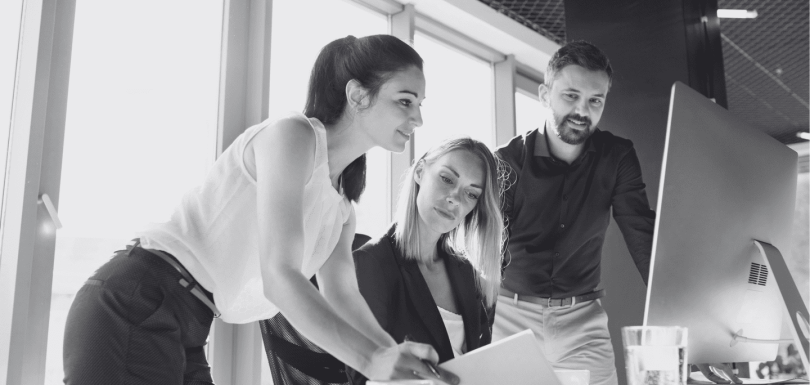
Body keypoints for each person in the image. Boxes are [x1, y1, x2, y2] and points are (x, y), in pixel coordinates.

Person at [62, 34, 457, 385]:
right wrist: (372, 361)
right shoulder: (293, 136)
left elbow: (344, 296)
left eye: (420, 104)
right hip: (137, 299)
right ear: (358, 95)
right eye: (405, 101)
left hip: (190, 319)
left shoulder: (341, 207)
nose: (417, 118)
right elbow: (279, 275)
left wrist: (397, 363)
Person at [492, 40, 656, 385]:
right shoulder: (506, 161)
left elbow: (640, 231)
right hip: (509, 316)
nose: (583, 110)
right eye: (571, 96)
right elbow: (485, 246)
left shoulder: (618, 156)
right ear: (544, 94)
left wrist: (675, 303)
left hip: (583, 320)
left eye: (595, 100)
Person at [347, 138, 506, 384]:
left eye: (471, 194)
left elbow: (480, 364)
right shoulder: (372, 264)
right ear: (420, 172)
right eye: (447, 179)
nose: (455, 198)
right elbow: (362, 375)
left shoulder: (468, 274)